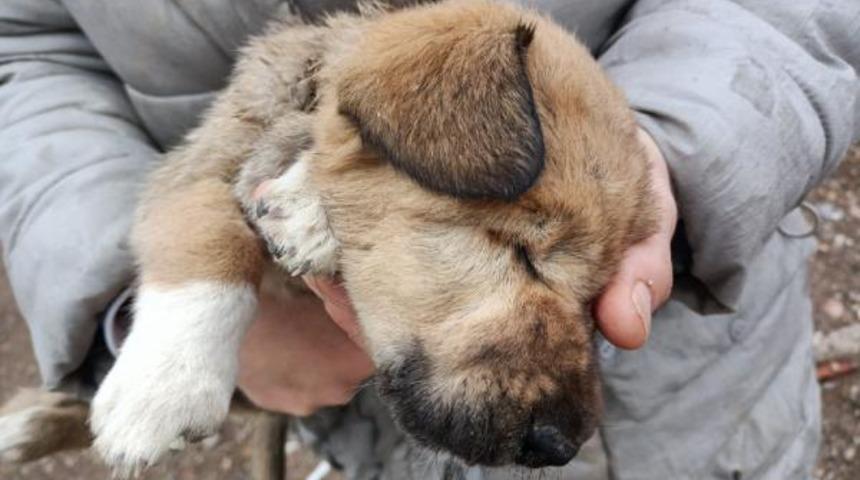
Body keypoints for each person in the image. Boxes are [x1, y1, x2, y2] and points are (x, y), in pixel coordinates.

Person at [0, 0, 857, 478]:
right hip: (337, 404)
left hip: (693, 404)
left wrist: (666, 153)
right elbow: (24, 45)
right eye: (524, 256)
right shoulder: (387, 111)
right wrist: (160, 313)